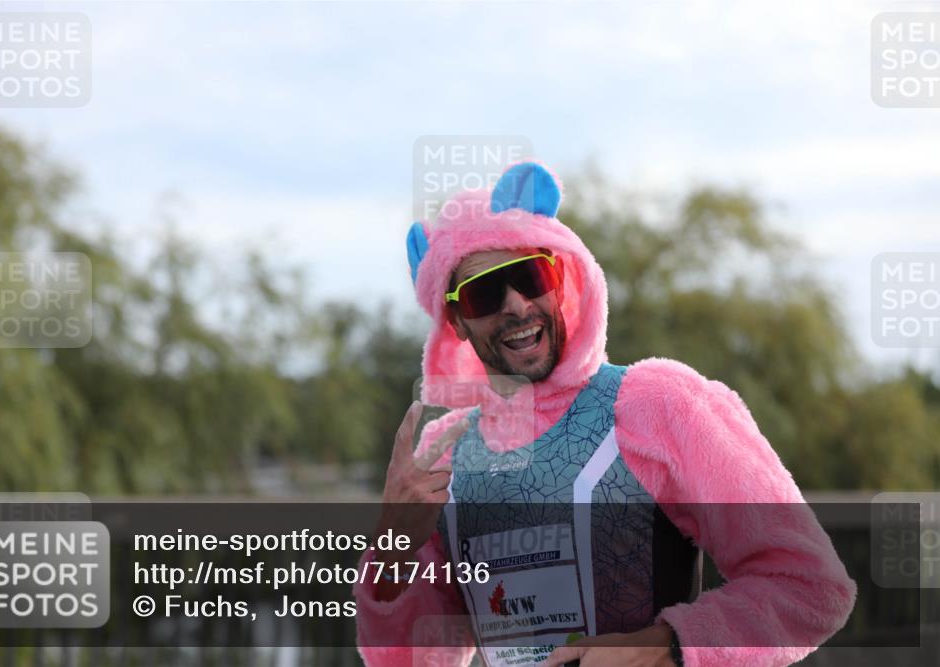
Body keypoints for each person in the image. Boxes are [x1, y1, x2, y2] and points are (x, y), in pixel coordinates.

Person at [352, 162, 857, 667]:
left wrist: (664, 646)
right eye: (484, 292)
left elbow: (810, 586)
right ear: (457, 322)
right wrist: (393, 546)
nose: (515, 305)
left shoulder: (655, 405)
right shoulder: (442, 457)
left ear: (562, 280)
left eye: (530, 276)